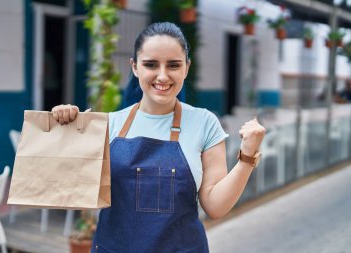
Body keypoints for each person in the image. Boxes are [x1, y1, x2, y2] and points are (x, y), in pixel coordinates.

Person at [52, 22, 265, 253]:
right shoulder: (109, 124)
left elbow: (216, 207)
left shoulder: (204, 123)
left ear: (186, 68)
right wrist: (63, 128)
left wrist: (247, 156)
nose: (162, 76)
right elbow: (70, 191)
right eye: (151, 64)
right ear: (135, 67)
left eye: (173, 65)